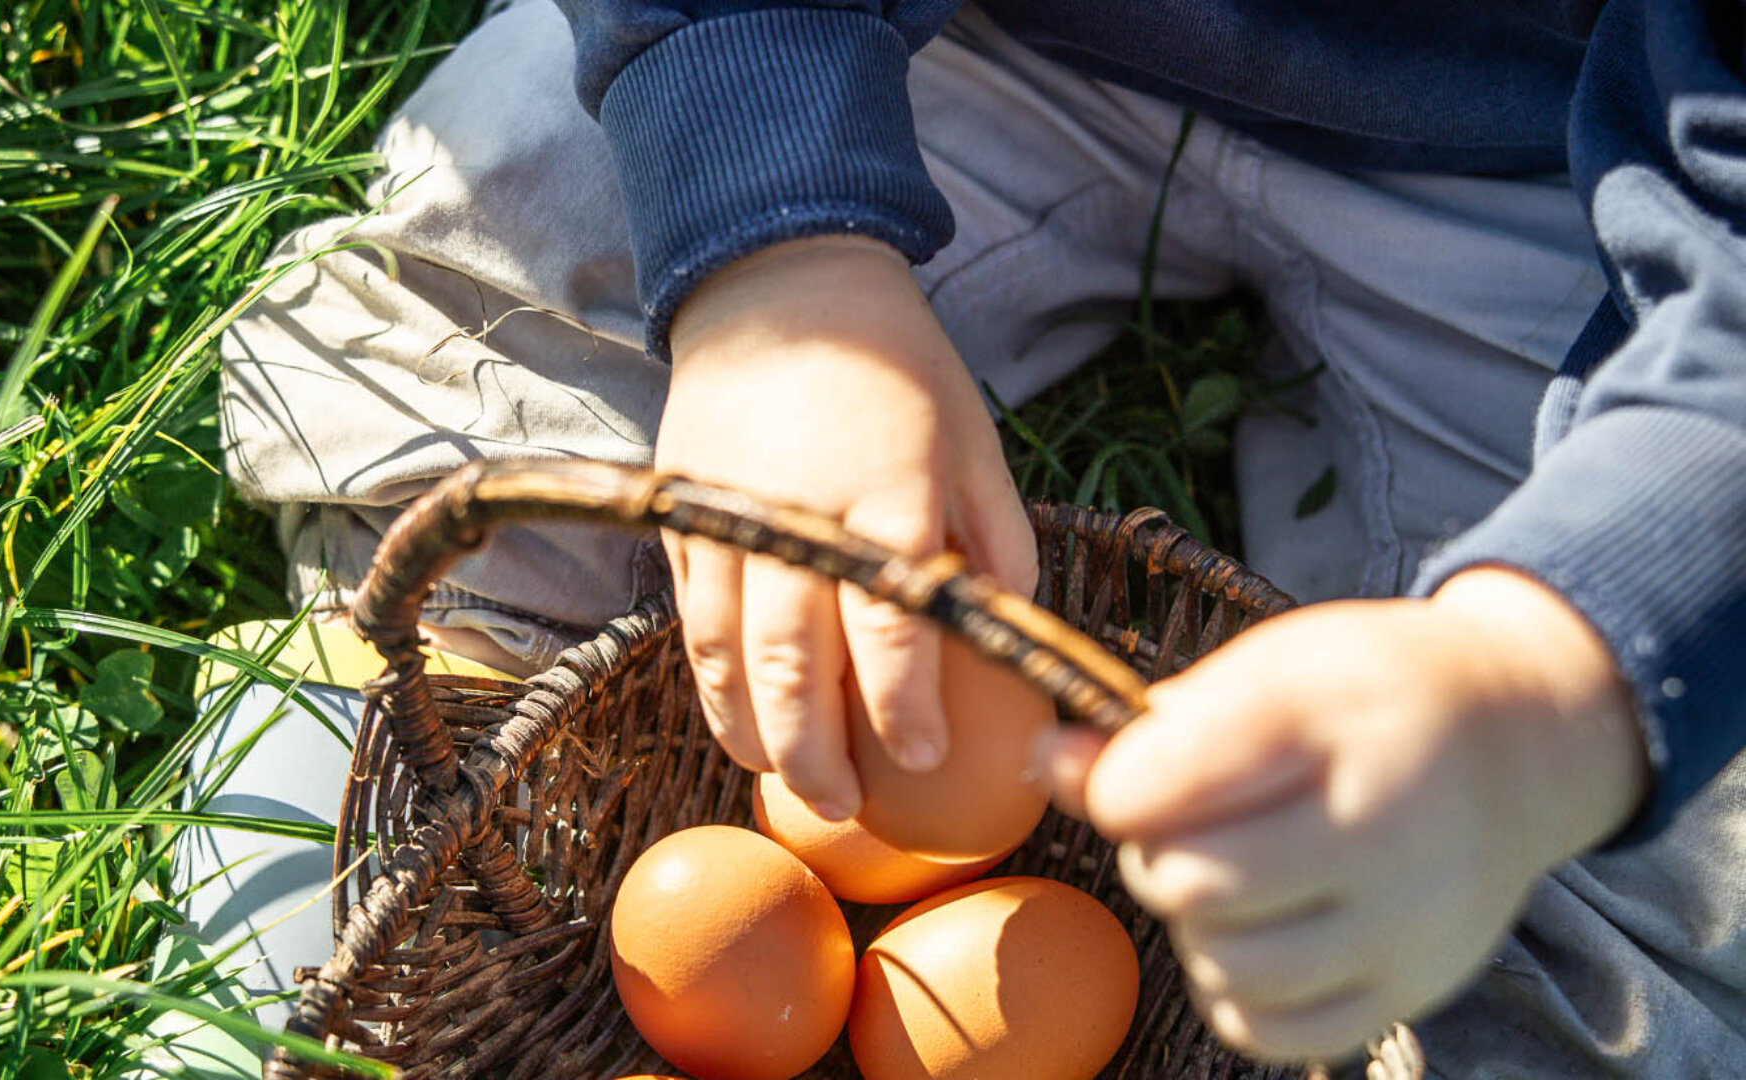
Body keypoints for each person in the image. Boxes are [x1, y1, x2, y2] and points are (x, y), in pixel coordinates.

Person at [189, 0, 1746, 1074]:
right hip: (956, 44)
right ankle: (262, 993)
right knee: (496, 307)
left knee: (1661, 882)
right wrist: (773, 238)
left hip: (1592, 197)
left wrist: (1552, 681)